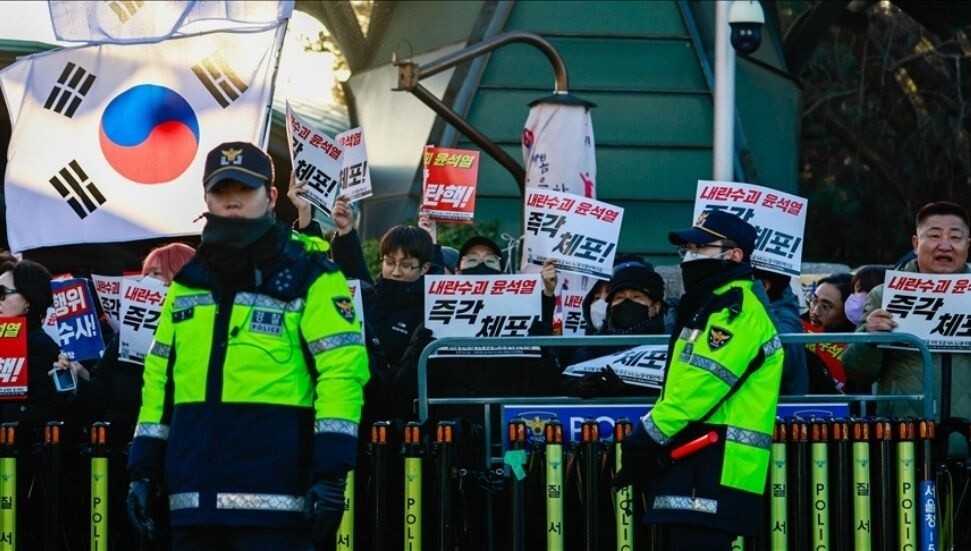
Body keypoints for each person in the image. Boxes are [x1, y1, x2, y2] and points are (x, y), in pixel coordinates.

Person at [126, 142, 369, 550]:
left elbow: (342, 373)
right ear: (206, 198)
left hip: (279, 503)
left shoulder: (312, 274)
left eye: (245, 188)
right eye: (221, 191)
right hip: (193, 503)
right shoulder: (187, 283)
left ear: (271, 196)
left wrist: (331, 474)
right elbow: (158, 384)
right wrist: (143, 472)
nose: (232, 199)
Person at [614, 210, 784, 549]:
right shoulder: (710, 303)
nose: (690, 256)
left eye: (701, 248)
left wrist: (644, 440)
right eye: (687, 249)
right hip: (695, 467)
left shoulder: (734, 311)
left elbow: (697, 390)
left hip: (714, 471)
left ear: (735, 254)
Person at [843, 201, 971, 420]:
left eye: (955, 238)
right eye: (934, 235)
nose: (945, 245)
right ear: (915, 243)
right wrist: (869, 340)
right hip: (906, 438)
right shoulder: (883, 295)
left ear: (967, 245)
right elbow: (857, 371)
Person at [564, 261, 667, 397]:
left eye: (636, 296)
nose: (627, 302)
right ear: (610, 307)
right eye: (619, 297)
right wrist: (578, 387)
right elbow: (565, 383)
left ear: (656, 307)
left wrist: (630, 392)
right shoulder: (591, 347)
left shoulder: (667, 343)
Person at [754, 268, 808, 395]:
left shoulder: (785, 315)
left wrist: (757, 293)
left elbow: (783, 355)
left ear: (764, 285)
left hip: (780, 410)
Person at [801, 272, 857, 393]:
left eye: (826, 306)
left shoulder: (858, 345)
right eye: (814, 301)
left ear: (848, 311)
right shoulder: (795, 327)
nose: (815, 312)